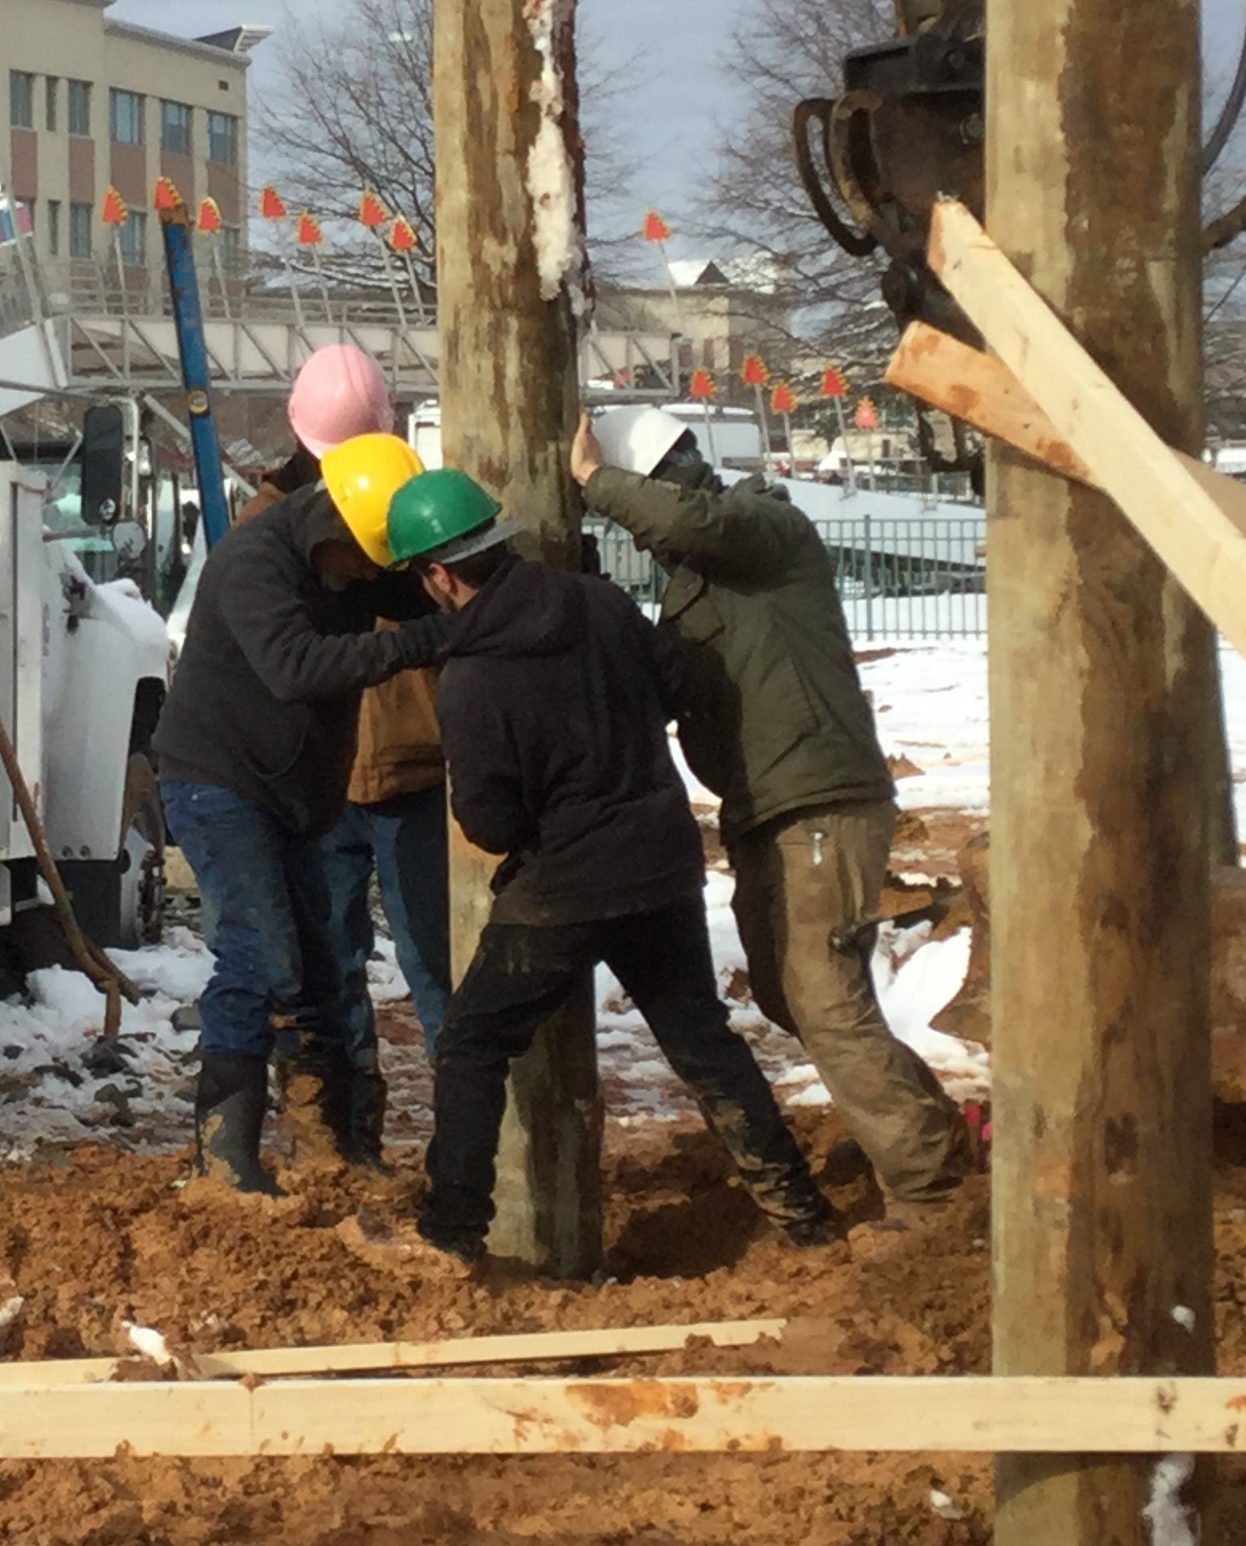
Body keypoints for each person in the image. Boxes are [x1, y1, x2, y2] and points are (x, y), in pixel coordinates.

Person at [386, 466, 842, 1264]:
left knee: (471, 1043)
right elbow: (674, 682)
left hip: (561, 887)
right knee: (704, 1044)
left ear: (439, 574)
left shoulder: (471, 678)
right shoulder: (600, 603)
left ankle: (451, 1230)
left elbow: (488, 822)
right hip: (660, 864)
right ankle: (801, 1216)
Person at [572, 407, 969, 1224]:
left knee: (823, 998)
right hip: (766, 809)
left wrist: (590, 483)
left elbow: (692, 521)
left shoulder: (765, 530)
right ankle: (924, 1132)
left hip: (820, 798)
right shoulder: (690, 596)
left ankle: (930, 1189)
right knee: (798, 998)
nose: (645, 537)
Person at [151, 429, 450, 1194]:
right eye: (370, 559)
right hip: (218, 781)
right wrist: (425, 640)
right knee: (259, 955)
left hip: (294, 790)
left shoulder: (349, 561)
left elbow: (419, 594)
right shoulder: (257, 560)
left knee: (322, 966)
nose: (372, 578)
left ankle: (332, 1151)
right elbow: (295, 667)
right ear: (337, 528)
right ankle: (223, 1159)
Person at [274, 348, 456, 1151]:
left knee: (334, 965)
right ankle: (468, 1137)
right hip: (381, 770)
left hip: (336, 777)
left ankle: (348, 1139)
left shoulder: (268, 525)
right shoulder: (416, 512)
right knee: (431, 963)